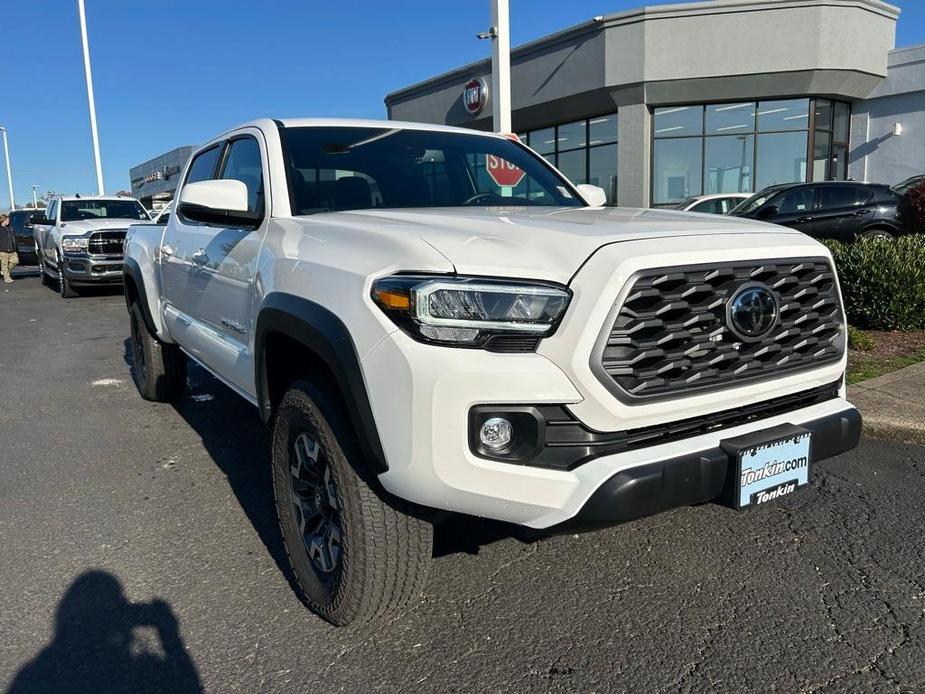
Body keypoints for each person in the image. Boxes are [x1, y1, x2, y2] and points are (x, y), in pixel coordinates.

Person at [0, 213, 18, 283]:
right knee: (4, 264)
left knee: (15, 261)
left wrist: (16, 247)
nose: (8, 222)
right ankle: (7, 278)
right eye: (7, 220)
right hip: (3, 250)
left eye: (8, 220)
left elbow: (14, 238)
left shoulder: (10, 227)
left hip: (12, 249)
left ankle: (3, 271)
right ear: (3, 220)